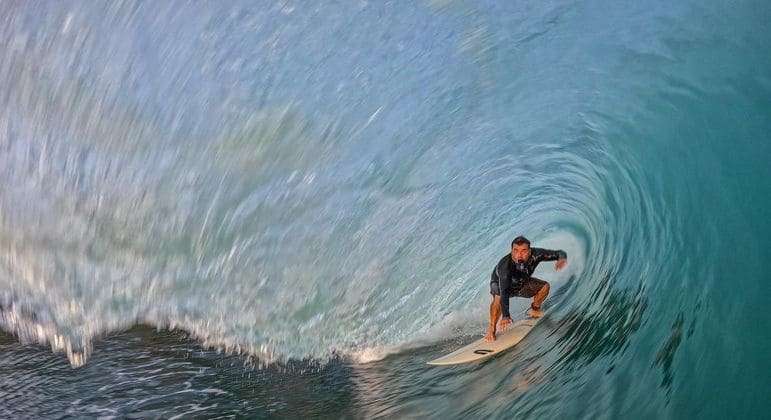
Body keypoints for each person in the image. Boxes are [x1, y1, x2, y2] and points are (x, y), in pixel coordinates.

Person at [484, 236, 567, 342]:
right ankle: (491, 329)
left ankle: (534, 309)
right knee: (498, 298)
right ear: (511, 251)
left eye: (524, 251)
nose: (519, 254)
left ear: (530, 251)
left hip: (521, 283)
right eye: (516, 251)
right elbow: (504, 292)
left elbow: (559, 253)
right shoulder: (505, 267)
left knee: (545, 287)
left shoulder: (537, 254)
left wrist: (562, 258)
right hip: (500, 284)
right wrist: (506, 316)